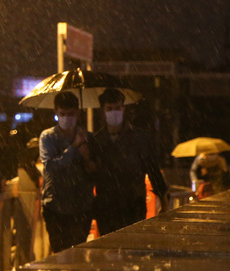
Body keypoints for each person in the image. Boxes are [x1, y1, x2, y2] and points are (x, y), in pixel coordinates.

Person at [91, 88, 168, 235]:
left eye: (117, 108)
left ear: (123, 109)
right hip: (106, 208)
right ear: (103, 111)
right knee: (108, 252)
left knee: (131, 250)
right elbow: (90, 175)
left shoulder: (139, 139)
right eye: (110, 108)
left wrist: (163, 201)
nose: (114, 112)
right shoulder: (96, 141)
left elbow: (152, 170)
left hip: (133, 206)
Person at [39, 91, 95, 253]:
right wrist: (73, 147)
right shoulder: (48, 137)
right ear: (56, 112)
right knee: (59, 254)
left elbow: (94, 171)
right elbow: (50, 167)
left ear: (77, 113)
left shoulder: (87, 137)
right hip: (56, 207)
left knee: (78, 254)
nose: (66, 118)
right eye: (62, 114)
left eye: (70, 114)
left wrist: (86, 158)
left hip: (81, 206)